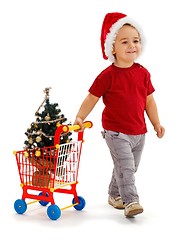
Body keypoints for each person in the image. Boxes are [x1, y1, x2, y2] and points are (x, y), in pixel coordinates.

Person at [73, 12, 165, 218]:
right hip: (116, 132)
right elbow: (92, 98)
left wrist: (156, 124)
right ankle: (131, 200)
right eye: (125, 41)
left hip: (139, 132)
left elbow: (149, 101)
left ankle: (114, 194)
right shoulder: (108, 75)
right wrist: (80, 116)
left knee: (128, 167)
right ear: (112, 48)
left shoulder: (143, 73)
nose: (132, 45)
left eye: (136, 41)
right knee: (127, 168)